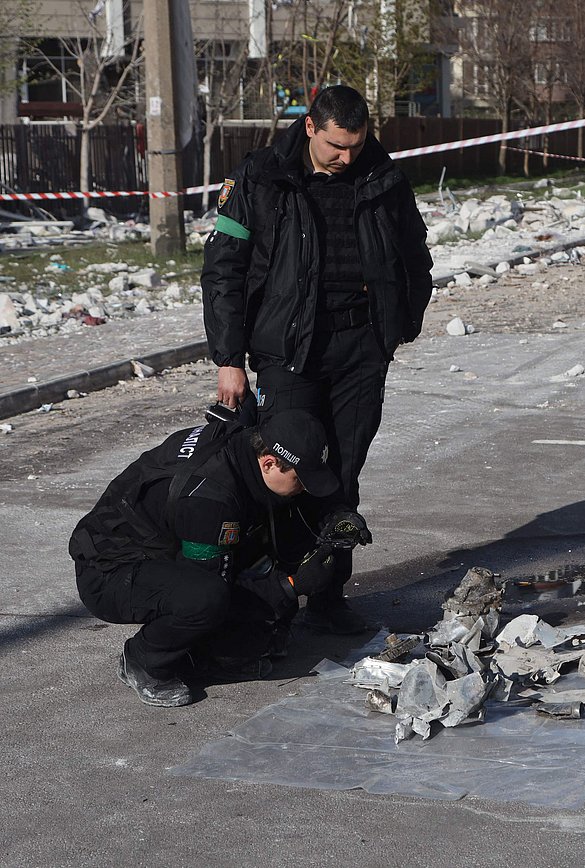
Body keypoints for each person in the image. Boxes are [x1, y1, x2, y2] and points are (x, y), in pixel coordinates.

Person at [201, 84, 434, 635]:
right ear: (310, 127)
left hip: (360, 350)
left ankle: (328, 596)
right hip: (287, 353)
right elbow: (224, 269)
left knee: (341, 476)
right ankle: (272, 600)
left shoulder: (384, 178)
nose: (346, 158)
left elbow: (415, 257)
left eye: (356, 145)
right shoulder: (261, 177)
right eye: (336, 146)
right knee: (286, 473)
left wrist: (398, 327)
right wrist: (228, 358)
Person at [70, 409, 347, 707]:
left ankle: (212, 651)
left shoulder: (242, 444)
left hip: (155, 545)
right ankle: (145, 659)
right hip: (108, 572)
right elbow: (214, 590)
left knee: (256, 615)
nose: (305, 488)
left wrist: (336, 517)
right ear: (269, 463)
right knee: (205, 600)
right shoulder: (211, 499)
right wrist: (291, 585)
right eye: (301, 480)